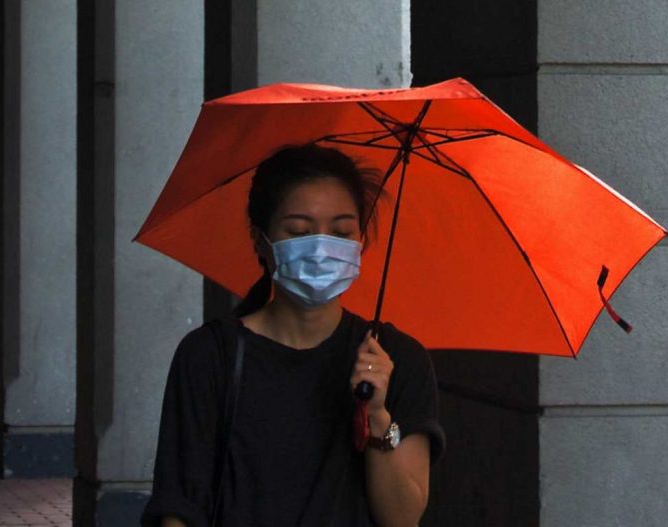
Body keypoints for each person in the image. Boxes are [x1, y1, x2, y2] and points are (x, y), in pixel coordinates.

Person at [140, 144, 445, 526]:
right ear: (260, 240)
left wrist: (377, 417)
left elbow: (402, 518)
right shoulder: (210, 355)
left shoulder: (396, 360)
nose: (320, 248)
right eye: (299, 231)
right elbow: (179, 506)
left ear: (360, 241)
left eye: (341, 232)